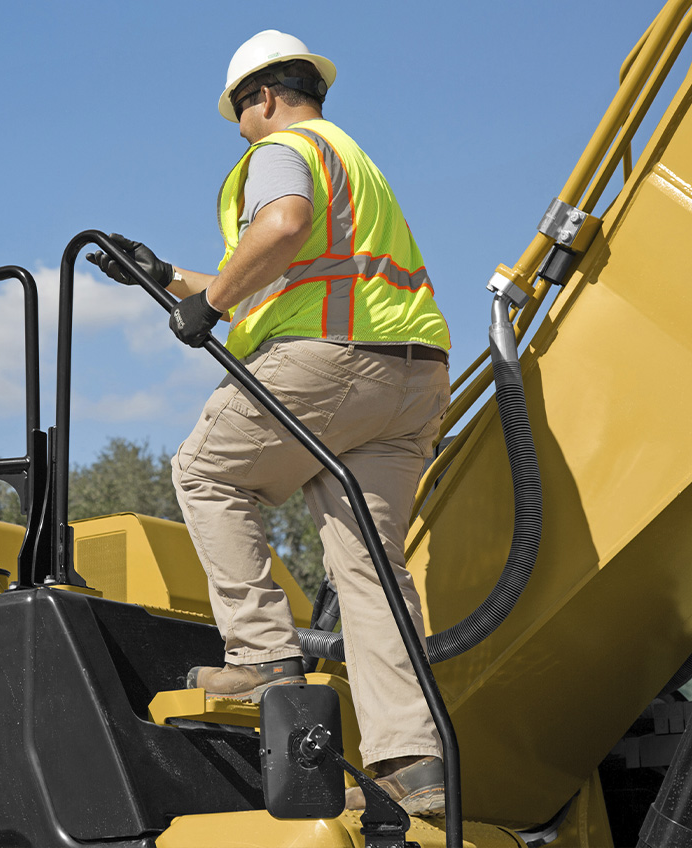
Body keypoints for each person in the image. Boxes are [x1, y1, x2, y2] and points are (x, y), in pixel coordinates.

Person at [88, 30, 450, 815]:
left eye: (240, 115)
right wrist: (166, 277)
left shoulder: (283, 150)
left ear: (263, 98)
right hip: (412, 376)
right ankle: (414, 763)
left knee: (206, 471)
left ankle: (262, 658)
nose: (241, 130)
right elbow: (289, 265)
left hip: (335, 361)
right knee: (370, 569)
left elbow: (279, 227)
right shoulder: (351, 161)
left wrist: (207, 306)